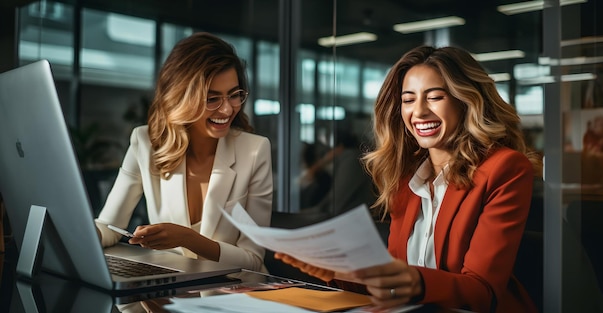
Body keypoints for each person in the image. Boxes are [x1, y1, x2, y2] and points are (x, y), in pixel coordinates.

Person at [276, 45, 543, 313]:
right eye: (408, 100)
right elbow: (394, 284)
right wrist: (338, 271)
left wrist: (416, 281)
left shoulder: (505, 168)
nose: (419, 112)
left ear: (466, 100)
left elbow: (481, 291)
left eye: (435, 97)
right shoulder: (405, 178)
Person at [94, 32, 273, 272]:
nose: (228, 108)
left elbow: (253, 259)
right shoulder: (145, 142)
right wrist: (74, 232)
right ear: (180, 97)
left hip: (234, 293)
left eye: (234, 95)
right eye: (212, 98)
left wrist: (187, 238)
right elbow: (108, 226)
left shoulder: (255, 151)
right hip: (168, 294)